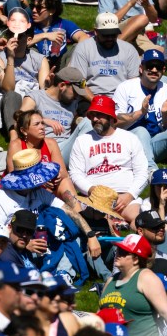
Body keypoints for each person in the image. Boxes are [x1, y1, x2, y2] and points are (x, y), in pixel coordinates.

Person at [69, 95, 148, 224]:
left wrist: (130, 195)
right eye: (92, 115)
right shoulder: (82, 141)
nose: (95, 119)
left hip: (124, 196)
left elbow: (142, 171)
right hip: (94, 199)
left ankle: (132, 240)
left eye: (99, 115)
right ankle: (112, 229)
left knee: (139, 221)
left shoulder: (130, 138)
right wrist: (92, 191)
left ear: (111, 117)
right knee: (103, 221)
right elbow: (75, 174)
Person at [99, 233, 167, 336]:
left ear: (136, 259)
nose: (117, 254)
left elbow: (165, 311)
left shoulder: (146, 277)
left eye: (123, 252)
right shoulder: (111, 280)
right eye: (119, 250)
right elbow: (100, 313)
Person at [70, 13, 143, 99]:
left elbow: (133, 81)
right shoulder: (84, 48)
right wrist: (95, 100)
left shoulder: (129, 49)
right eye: (105, 35)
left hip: (121, 99)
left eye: (113, 35)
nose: (110, 38)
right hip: (92, 97)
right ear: (96, 31)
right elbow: (79, 81)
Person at [114, 49, 167, 166]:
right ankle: (150, 170)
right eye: (150, 66)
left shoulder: (166, 89)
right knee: (141, 131)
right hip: (129, 144)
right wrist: (140, 112)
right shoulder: (125, 87)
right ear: (141, 68)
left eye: (158, 67)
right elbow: (113, 122)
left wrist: (165, 115)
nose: (154, 70)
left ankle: (148, 158)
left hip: (155, 143)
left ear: (163, 70)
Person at [27, 0, 91, 68]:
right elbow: (19, 44)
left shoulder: (63, 24)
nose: (33, 10)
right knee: (31, 49)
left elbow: (84, 37)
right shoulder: (28, 25)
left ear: (52, 10)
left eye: (39, 8)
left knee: (76, 47)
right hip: (37, 67)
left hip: (60, 65)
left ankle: (68, 75)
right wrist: (45, 36)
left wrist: (73, 61)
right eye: (32, 6)